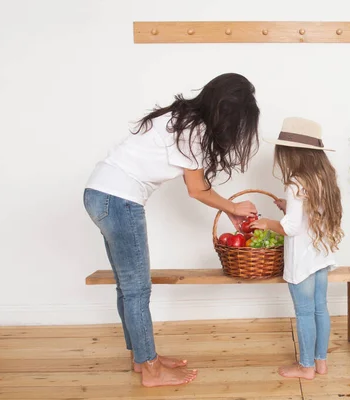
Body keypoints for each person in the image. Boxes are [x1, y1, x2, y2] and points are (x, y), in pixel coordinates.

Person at [83, 73, 260, 387]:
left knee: (127, 287)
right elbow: (197, 189)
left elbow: (199, 185)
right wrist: (233, 207)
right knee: (137, 290)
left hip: (100, 193)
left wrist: (228, 210)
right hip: (119, 199)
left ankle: (142, 358)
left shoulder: (182, 119)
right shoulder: (192, 129)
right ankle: (151, 370)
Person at [250, 117, 344, 380]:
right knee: (320, 308)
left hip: (302, 261)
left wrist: (268, 222)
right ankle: (320, 362)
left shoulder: (295, 183)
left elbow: (290, 228)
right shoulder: (322, 178)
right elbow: (307, 216)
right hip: (320, 255)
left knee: (304, 312)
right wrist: (286, 205)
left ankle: (305, 367)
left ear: (291, 153)